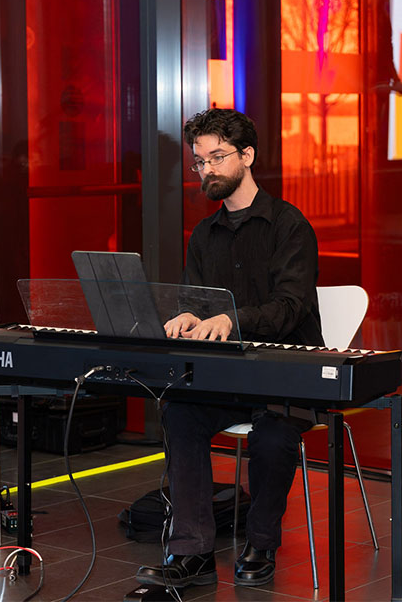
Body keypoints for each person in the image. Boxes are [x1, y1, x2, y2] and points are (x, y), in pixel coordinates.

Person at [135, 108, 323, 588]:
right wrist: (186, 316)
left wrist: (230, 320)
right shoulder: (204, 235)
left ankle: (261, 543)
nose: (207, 170)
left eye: (217, 157)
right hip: (229, 378)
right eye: (199, 161)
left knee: (273, 436)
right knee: (179, 413)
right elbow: (196, 303)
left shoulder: (289, 225)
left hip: (288, 377)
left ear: (248, 156)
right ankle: (192, 551)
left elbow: (290, 308)